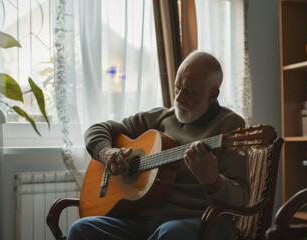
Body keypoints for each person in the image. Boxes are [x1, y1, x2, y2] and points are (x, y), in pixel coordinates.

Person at [68, 51, 250, 240]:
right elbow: (98, 129)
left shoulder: (231, 127)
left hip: (199, 223)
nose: (178, 98)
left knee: (169, 234)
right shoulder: (160, 117)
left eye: (189, 92)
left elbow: (242, 196)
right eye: (177, 88)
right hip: (142, 222)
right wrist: (106, 153)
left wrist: (213, 181)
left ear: (212, 95)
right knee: (81, 229)